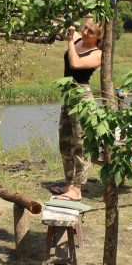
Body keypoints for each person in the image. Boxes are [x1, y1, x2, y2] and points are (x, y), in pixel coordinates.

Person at [52, 17, 103, 202]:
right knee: (65, 140)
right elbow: (59, 29)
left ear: (98, 36)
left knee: (80, 144)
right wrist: (61, 21)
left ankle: (77, 188)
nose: (85, 31)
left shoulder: (98, 53)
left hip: (82, 96)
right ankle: (68, 183)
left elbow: (75, 63)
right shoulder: (78, 38)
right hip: (68, 94)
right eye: (85, 27)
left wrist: (70, 40)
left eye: (91, 31)